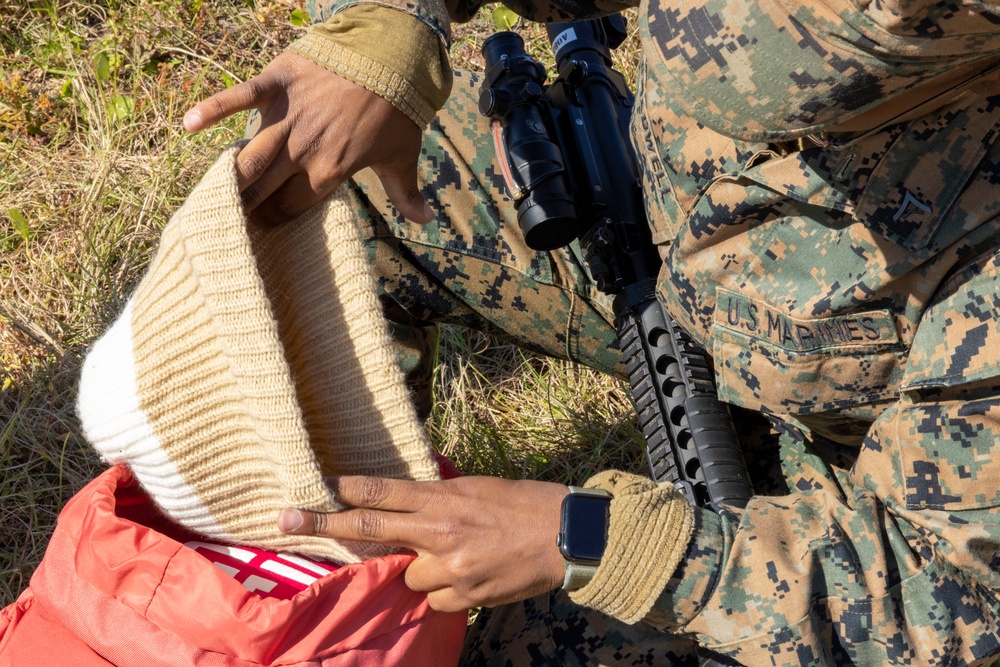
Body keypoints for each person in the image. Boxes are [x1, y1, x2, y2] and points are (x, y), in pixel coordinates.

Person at [182, 0, 1000, 664]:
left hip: (880, 470)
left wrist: (598, 542)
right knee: (326, 182)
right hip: (681, 249)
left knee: (536, 644)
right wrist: (396, 26)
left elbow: (953, 601)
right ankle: (313, 548)